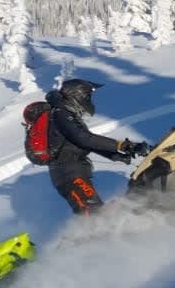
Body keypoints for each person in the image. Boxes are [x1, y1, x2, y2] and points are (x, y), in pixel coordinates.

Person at [45, 78, 150, 215]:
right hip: (68, 173)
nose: (89, 100)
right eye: (88, 96)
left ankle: (96, 234)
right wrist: (121, 145)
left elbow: (85, 142)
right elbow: (84, 139)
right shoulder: (61, 114)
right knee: (93, 212)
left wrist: (114, 155)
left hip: (72, 171)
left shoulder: (66, 114)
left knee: (96, 211)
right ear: (78, 96)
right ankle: (87, 236)